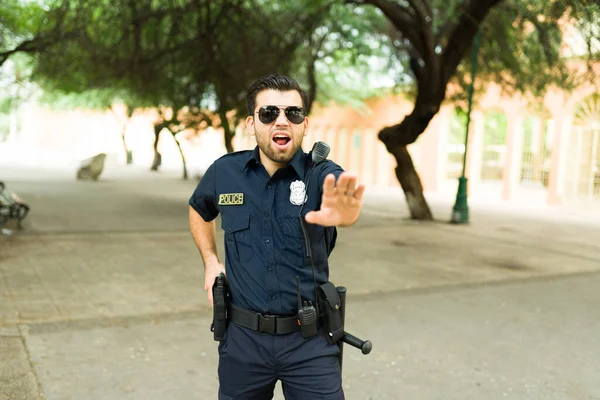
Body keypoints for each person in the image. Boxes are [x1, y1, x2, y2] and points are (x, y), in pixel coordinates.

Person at [188, 74, 365, 400]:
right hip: (243, 342)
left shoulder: (321, 174)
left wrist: (346, 215)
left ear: (305, 124)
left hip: (309, 343)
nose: (281, 121)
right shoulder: (225, 173)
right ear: (251, 123)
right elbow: (199, 209)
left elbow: (342, 199)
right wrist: (210, 261)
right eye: (269, 113)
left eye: (292, 113)